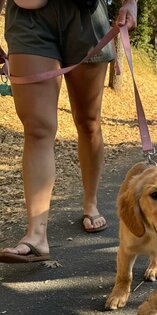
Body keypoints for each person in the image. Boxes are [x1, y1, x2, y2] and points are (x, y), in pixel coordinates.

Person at [0, 0, 138, 263]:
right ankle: (36, 235)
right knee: (37, 129)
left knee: (88, 121)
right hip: (28, 17)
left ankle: (90, 202)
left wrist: (130, 3)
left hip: (84, 16)